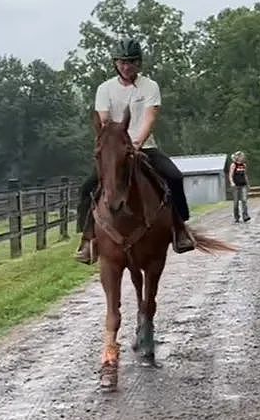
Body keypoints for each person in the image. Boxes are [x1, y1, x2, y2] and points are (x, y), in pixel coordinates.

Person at [74, 37, 196, 264]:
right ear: (115, 63)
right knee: (87, 187)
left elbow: (150, 117)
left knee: (174, 177)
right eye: (121, 62)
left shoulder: (150, 86)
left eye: (130, 62)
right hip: (115, 150)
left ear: (138, 64)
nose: (126, 66)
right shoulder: (105, 89)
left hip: (144, 147)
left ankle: (180, 230)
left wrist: (137, 143)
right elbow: (104, 121)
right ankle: (88, 239)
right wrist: (118, 145)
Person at [229, 150, 251, 223]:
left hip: (243, 185)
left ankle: (245, 216)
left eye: (243, 156)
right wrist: (232, 182)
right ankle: (236, 217)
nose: (243, 158)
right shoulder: (234, 165)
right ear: (238, 157)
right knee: (236, 202)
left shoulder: (244, 165)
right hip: (236, 185)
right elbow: (230, 175)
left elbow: (245, 175)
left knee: (244, 200)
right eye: (241, 156)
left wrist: (248, 184)